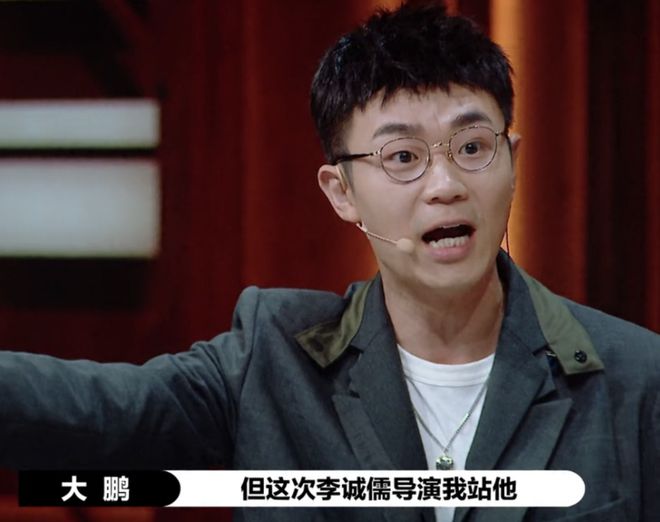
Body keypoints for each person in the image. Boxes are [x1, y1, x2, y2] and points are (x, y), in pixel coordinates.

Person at [1, 2, 658, 522]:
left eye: (472, 148)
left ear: (512, 161)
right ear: (341, 192)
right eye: (402, 158)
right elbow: (97, 413)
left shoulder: (637, 378)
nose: (445, 185)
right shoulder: (274, 360)